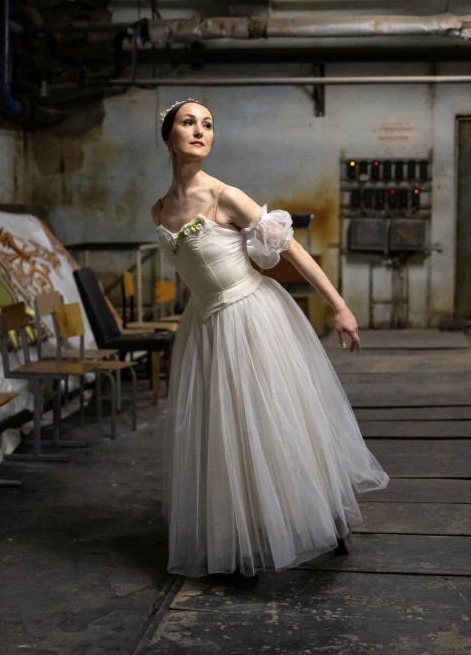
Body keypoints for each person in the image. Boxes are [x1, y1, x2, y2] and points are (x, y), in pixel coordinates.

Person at [152, 98, 389, 584]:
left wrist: (341, 307)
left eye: (209, 124)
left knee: (278, 421)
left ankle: (328, 519)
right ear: (169, 135)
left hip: (251, 315)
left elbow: (294, 253)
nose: (200, 131)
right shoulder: (159, 209)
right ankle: (236, 539)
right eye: (188, 122)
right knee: (222, 431)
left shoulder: (226, 196)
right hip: (205, 324)